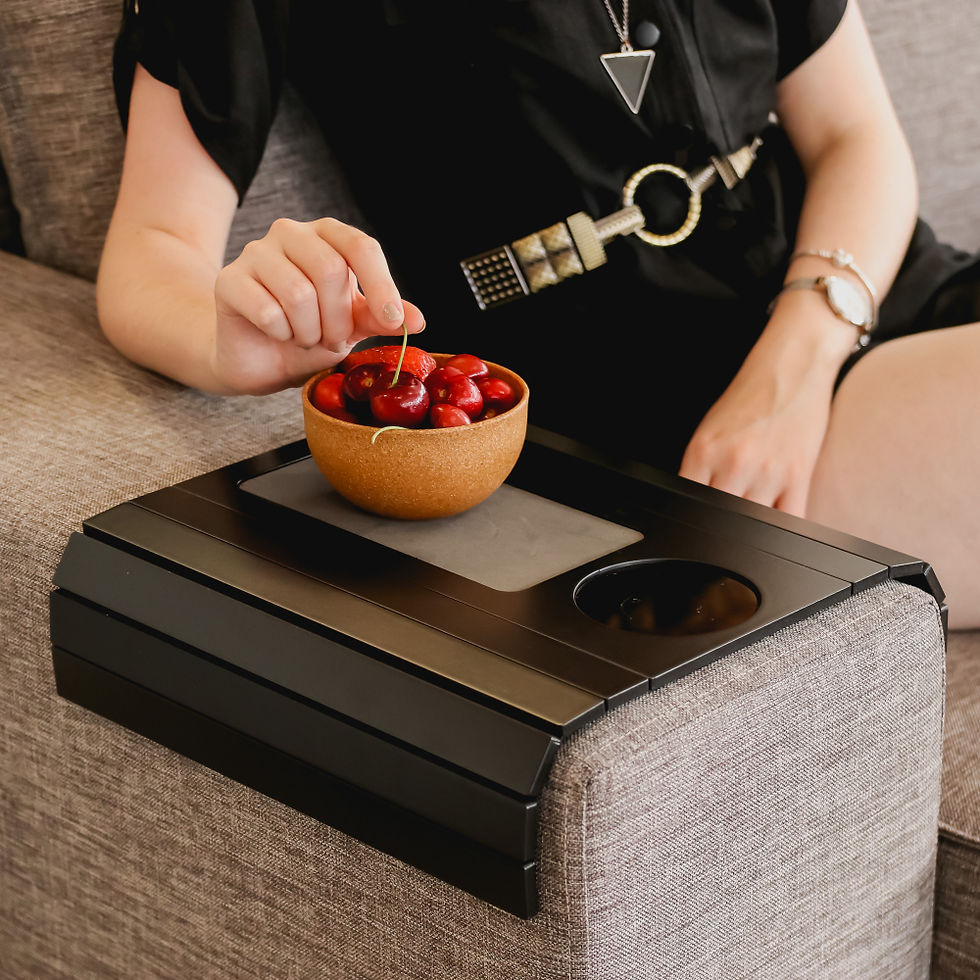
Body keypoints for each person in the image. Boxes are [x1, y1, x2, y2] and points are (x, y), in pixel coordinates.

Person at [97, 0, 979, 628]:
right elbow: (149, 253)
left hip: (853, 300)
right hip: (654, 415)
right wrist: (228, 344)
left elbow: (858, 139)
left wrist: (797, 362)